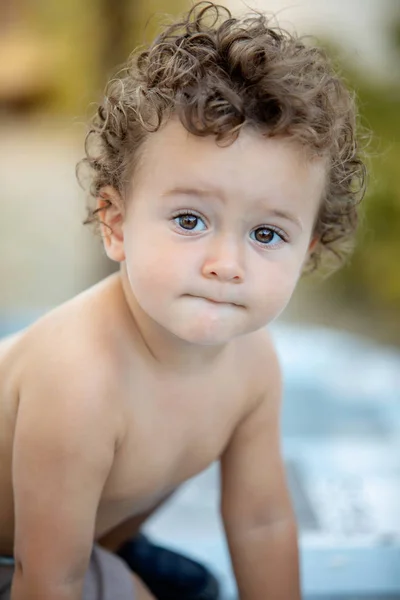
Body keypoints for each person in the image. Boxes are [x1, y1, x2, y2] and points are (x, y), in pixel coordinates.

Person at [0, 1, 368, 599]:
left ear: (306, 253)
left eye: (266, 234)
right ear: (116, 225)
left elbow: (262, 521)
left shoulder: (253, 364)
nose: (226, 263)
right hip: (32, 562)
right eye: (191, 219)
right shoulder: (79, 377)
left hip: (81, 540)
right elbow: (47, 579)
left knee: (198, 587)